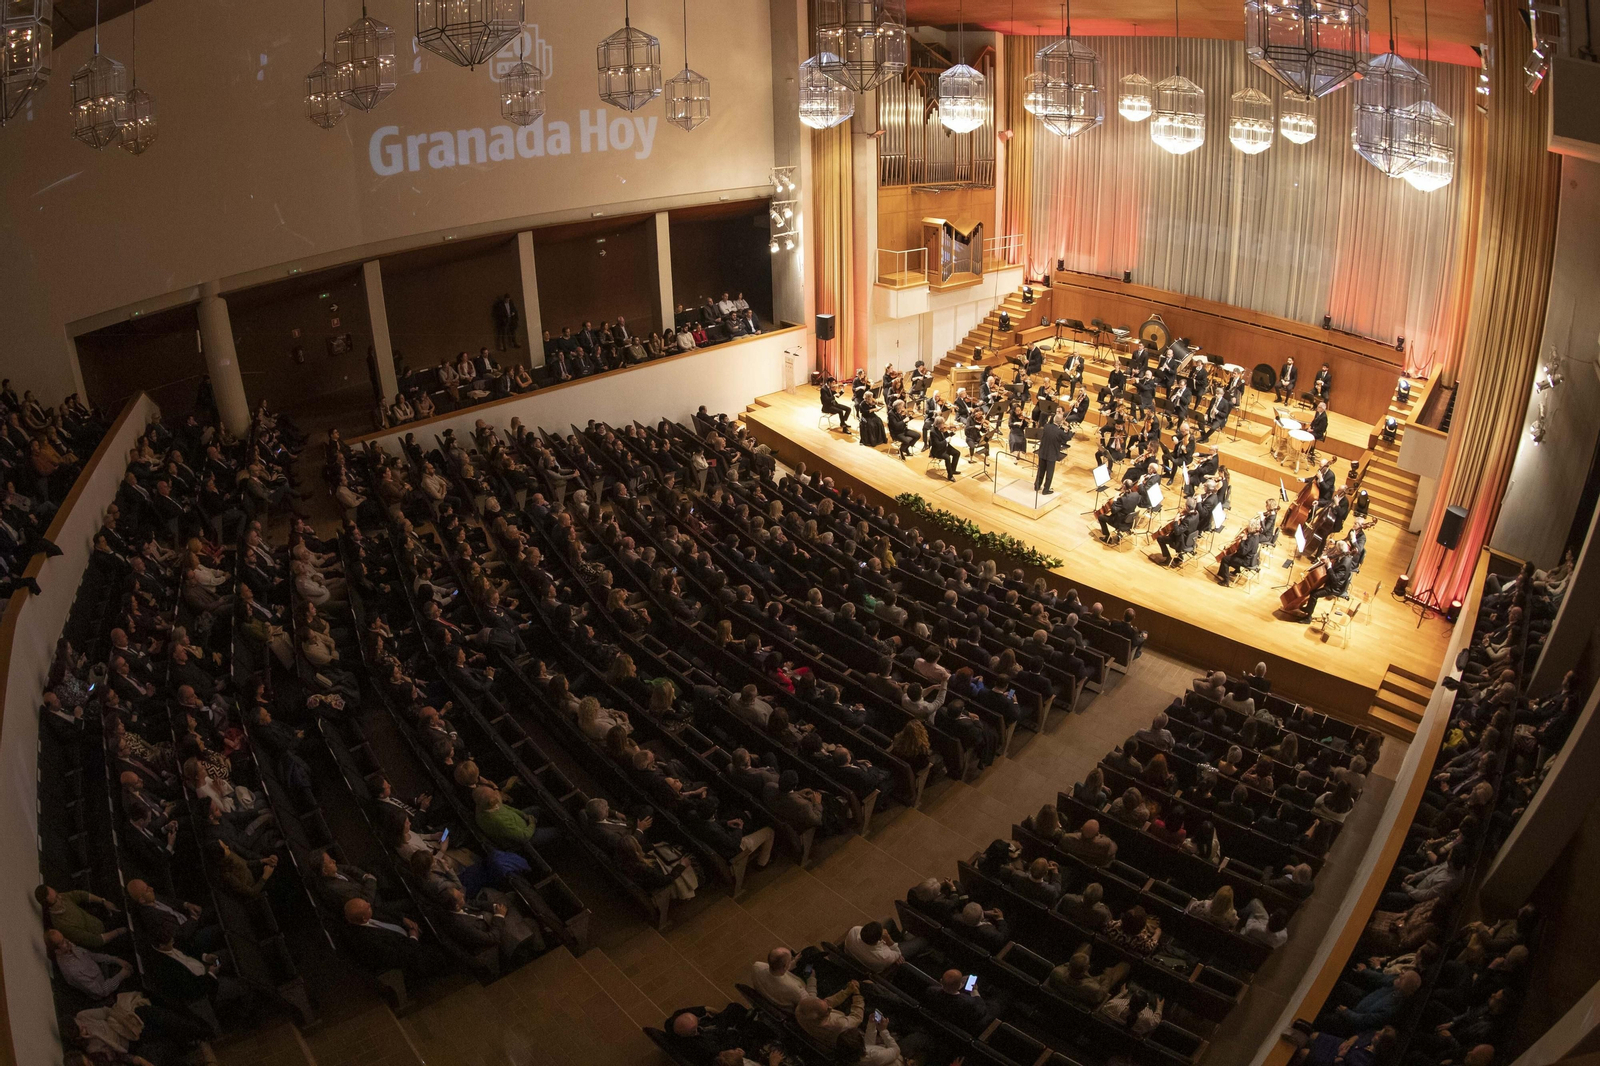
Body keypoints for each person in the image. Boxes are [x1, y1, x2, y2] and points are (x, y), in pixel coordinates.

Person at [46, 928, 133, 998]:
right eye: (62, 942)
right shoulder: (72, 971)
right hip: (104, 988)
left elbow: (92, 956)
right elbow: (101, 991)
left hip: (101, 969)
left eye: (63, 938)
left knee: (126, 947)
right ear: (57, 951)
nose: (67, 941)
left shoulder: (69, 947)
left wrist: (116, 960)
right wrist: (122, 975)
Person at [1048, 946, 1130, 1007]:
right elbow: (1101, 994)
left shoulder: (1056, 972)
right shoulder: (1093, 989)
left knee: (1086, 946)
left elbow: (1065, 967)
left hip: (1060, 994)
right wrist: (1108, 977)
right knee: (1125, 966)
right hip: (1085, 995)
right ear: (1087, 968)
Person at [1034, 411, 1069, 494]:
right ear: (1060, 422)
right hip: (1051, 455)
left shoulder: (1046, 427)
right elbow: (1067, 438)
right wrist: (1067, 430)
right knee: (1049, 473)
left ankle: (1037, 486)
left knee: (1041, 470)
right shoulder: (1060, 432)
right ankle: (1046, 490)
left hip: (1042, 452)